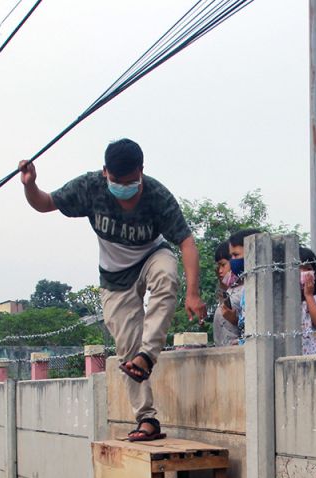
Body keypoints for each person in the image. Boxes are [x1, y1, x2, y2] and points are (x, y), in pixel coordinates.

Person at [19, 139, 204, 442]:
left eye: (131, 182)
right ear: (105, 173)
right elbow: (45, 203)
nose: (124, 190)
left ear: (141, 172)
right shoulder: (90, 187)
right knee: (127, 349)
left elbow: (186, 242)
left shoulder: (157, 195)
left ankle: (149, 354)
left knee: (167, 274)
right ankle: (147, 420)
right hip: (115, 277)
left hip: (150, 255)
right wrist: (30, 184)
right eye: (117, 182)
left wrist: (193, 292)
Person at [212, 241, 241, 347]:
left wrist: (236, 320)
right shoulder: (229, 291)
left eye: (223, 265)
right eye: (218, 267)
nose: (220, 271)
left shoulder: (248, 291)